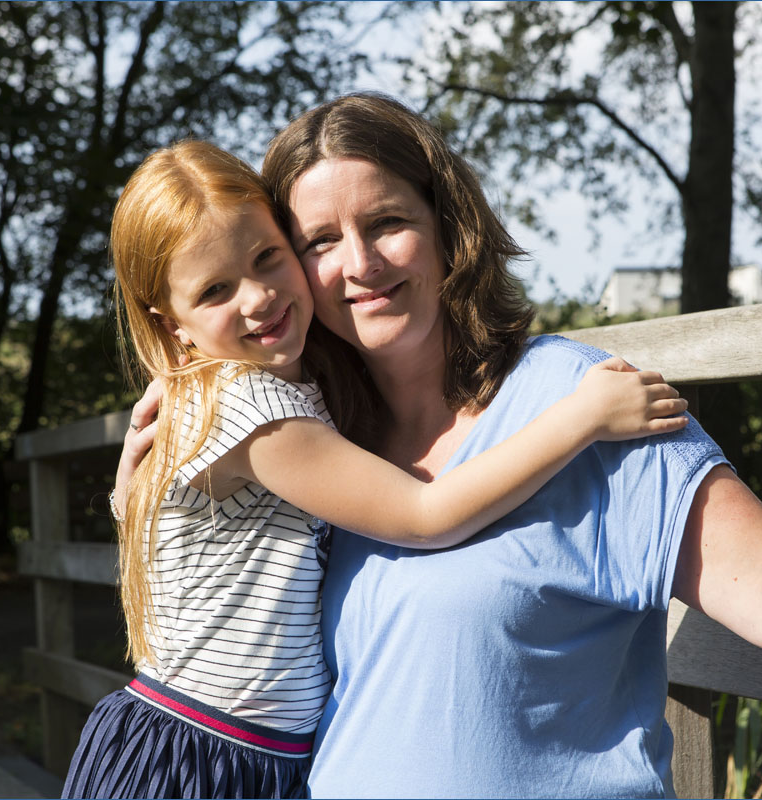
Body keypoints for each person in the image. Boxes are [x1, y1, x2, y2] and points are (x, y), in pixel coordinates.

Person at [117, 95, 762, 798]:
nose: (359, 264)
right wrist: (136, 496)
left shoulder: (583, 403)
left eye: (387, 221)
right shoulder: (317, 435)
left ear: (446, 225)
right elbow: (212, 594)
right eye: (317, 241)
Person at [63, 139, 693, 800]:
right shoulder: (250, 405)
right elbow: (424, 515)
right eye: (216, 289)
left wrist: (124, 494)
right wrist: (582, 417)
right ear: (175, 324)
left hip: (248, 750)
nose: (256, 298)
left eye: (268, 258)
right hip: (201, 756)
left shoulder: (276, 389)